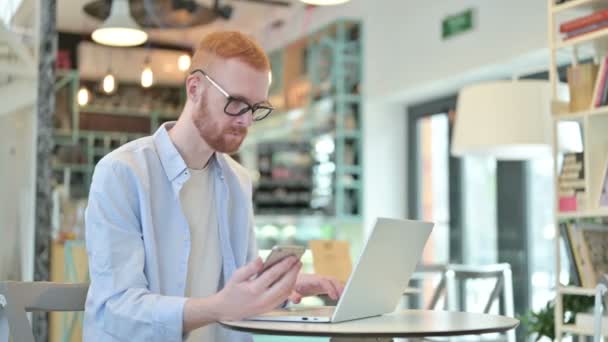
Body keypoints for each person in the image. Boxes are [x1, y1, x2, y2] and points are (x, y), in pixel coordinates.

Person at [83, 31, 344, 341]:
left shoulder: (238, 180)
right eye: (236, 103)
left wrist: (280, 288)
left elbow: (236, 289)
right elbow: (117, 308)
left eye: (256, 108)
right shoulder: (122, 173)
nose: (246, 121)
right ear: (195, 89)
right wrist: (218, 307)